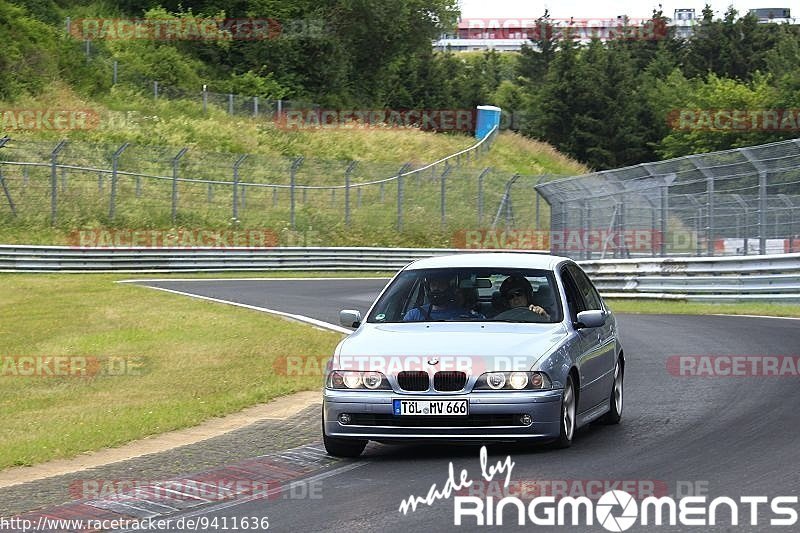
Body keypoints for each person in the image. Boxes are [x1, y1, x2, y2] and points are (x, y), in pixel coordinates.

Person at [403, 273, 484, 321]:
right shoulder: (413, 315)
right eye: (433, 285)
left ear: (449, 289)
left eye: (441, 285)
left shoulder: (465, 314)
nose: (436, 289)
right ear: (428, 288)